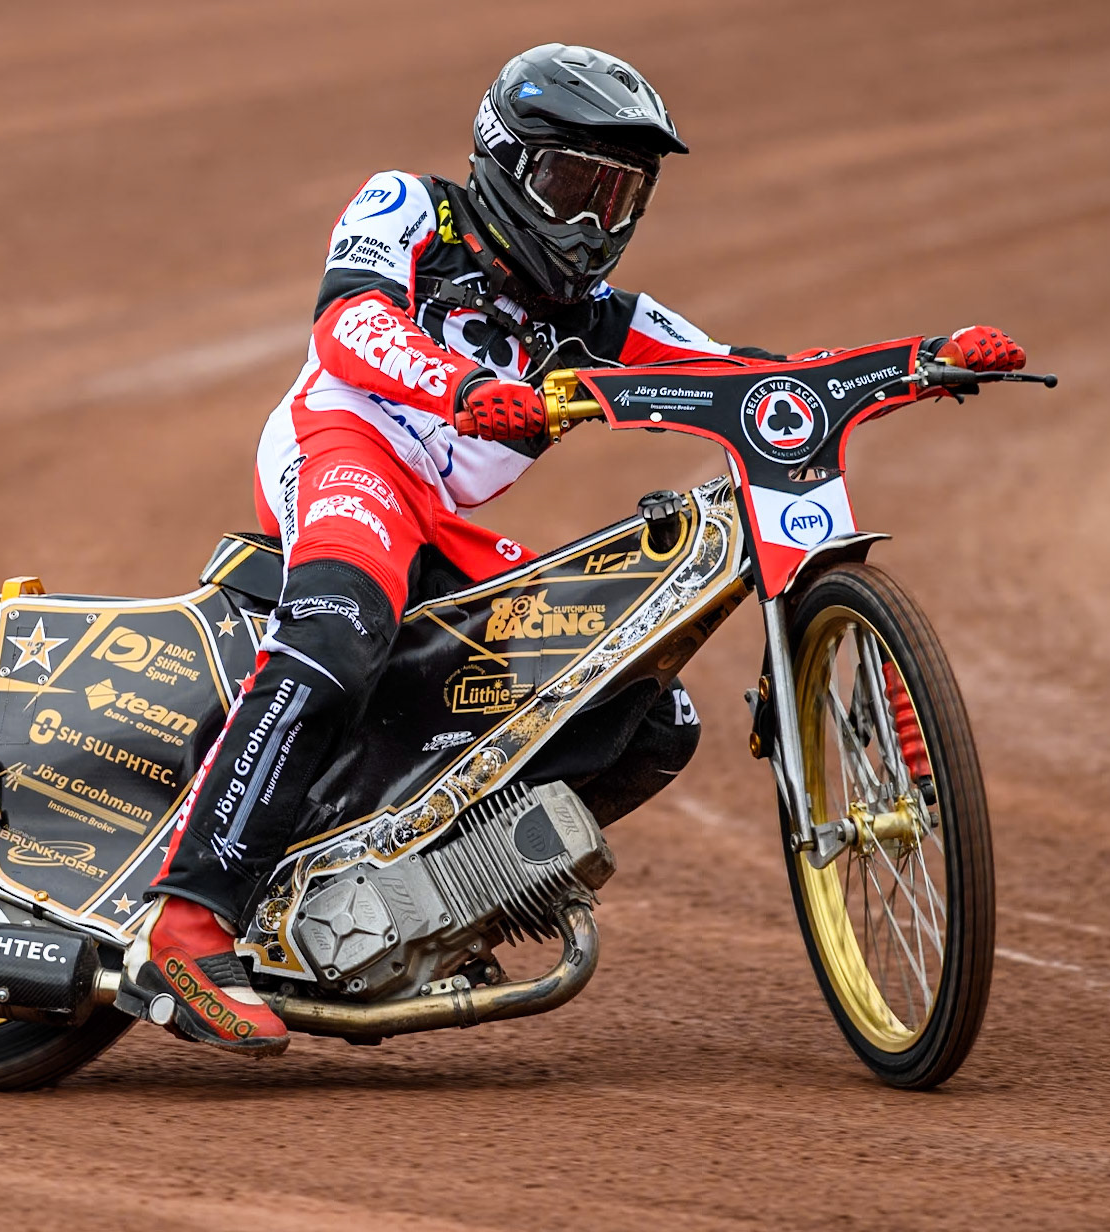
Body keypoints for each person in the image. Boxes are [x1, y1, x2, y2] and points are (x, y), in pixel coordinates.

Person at [118, 43, 1025, 1055]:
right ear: (504, 161)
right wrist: (458, 388)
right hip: (345, 447)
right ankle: (187, 924)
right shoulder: (410, 206)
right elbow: (349, 324)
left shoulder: (603, 320)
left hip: (444, 519)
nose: (593, 225)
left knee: (645, 710)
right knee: (337, 632)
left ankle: (422, 894)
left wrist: (916, 360)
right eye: (569, 186)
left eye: (618, 196)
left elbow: (755, 374)